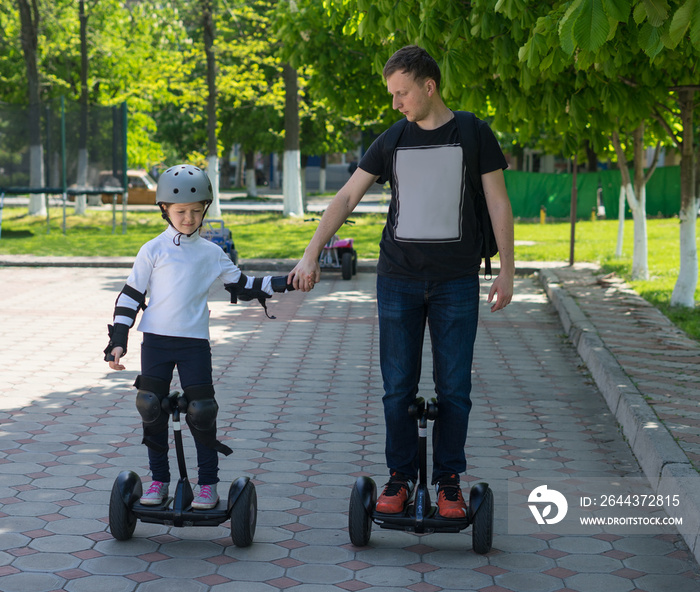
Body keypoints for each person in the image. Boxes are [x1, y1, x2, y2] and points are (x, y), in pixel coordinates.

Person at [289, 46, 514, 519]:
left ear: (428, 87)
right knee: (397, 389)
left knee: (454, 389)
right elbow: (348, 195)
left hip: (456, 281)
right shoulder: (392, 139)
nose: (396, 104)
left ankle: (449, 481)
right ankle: (401, 478)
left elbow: (498, 203)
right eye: (392, 94)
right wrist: (312, 251)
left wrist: (508, 272)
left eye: (402, 93)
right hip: (398, 281)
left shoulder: (473, 133)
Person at [104, 164, 289, 510]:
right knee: (150, 407)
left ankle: (207, 485)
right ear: (165, 210)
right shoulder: (152, 250)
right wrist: (118, 340)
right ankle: (158, 480)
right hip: (156, 341)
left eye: (195, 211)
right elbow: (130, 295)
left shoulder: (211, 253)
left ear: (205, 209)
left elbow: (245, 286)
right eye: (180, 211)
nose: (188, 218)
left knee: (202, 412)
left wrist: (287, 281)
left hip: (194, 344)